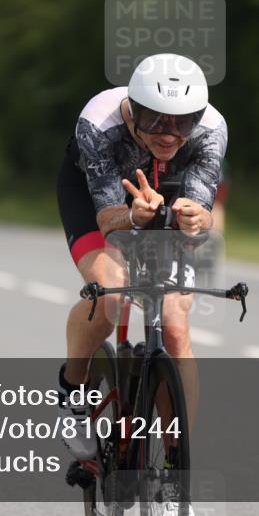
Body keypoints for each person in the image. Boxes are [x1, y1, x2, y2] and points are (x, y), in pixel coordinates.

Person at [55, 55, 225, 482]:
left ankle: (174, 466)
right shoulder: (99, 121)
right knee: (110, 293)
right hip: (97, 198)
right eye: (155, 121)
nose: (169, 134)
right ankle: (73, 391)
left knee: (175, 327)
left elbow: (203, 212)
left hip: (167, 193)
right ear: (133, 108)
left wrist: (197, 219)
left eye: (182, 123)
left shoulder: (211, 129)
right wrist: (132, 215)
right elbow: (108, 217)